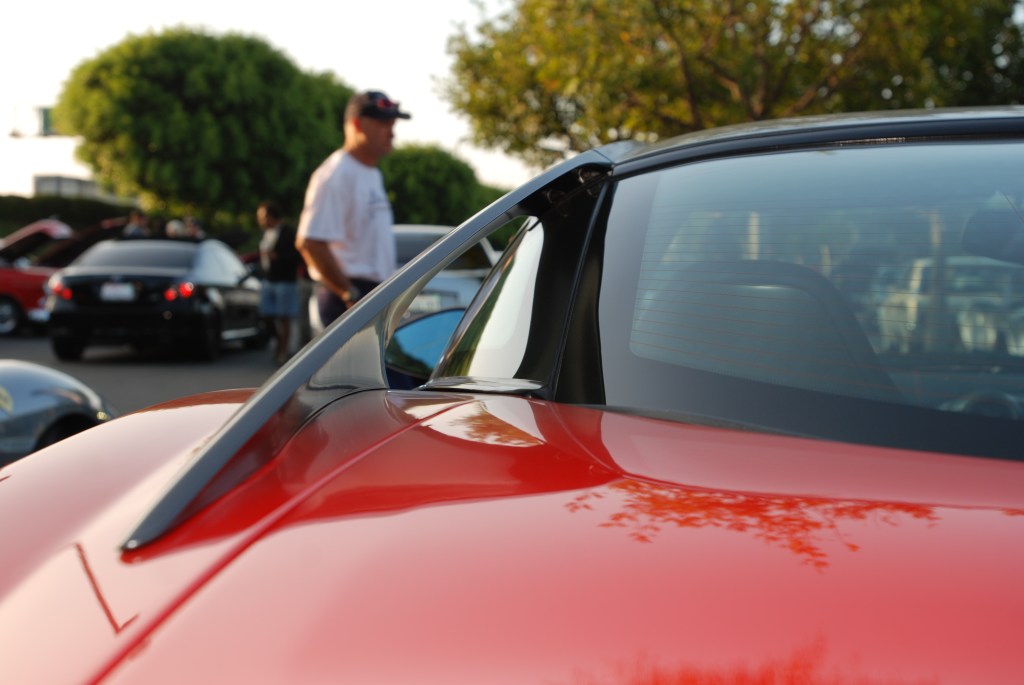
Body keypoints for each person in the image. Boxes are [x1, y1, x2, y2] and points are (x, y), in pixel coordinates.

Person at [295, 90, 410, 330]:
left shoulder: (371, 172)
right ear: (357, 124)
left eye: (392, 123)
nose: (391, 131)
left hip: (370, 295)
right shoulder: (336, 174)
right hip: (347, 299)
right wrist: (349, 293)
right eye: (383, 123)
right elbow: (310, 243)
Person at [257, 201, 302, 363]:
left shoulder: (288, 232)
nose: (260, 220)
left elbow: (297, 256)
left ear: (271, 216)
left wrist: (279, 258)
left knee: (284, 317)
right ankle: (278, 342)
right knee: (267, 314)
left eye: (262, 217)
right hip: (269, 279)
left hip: (285, 280)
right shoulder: (266, 234)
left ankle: (283, 350)